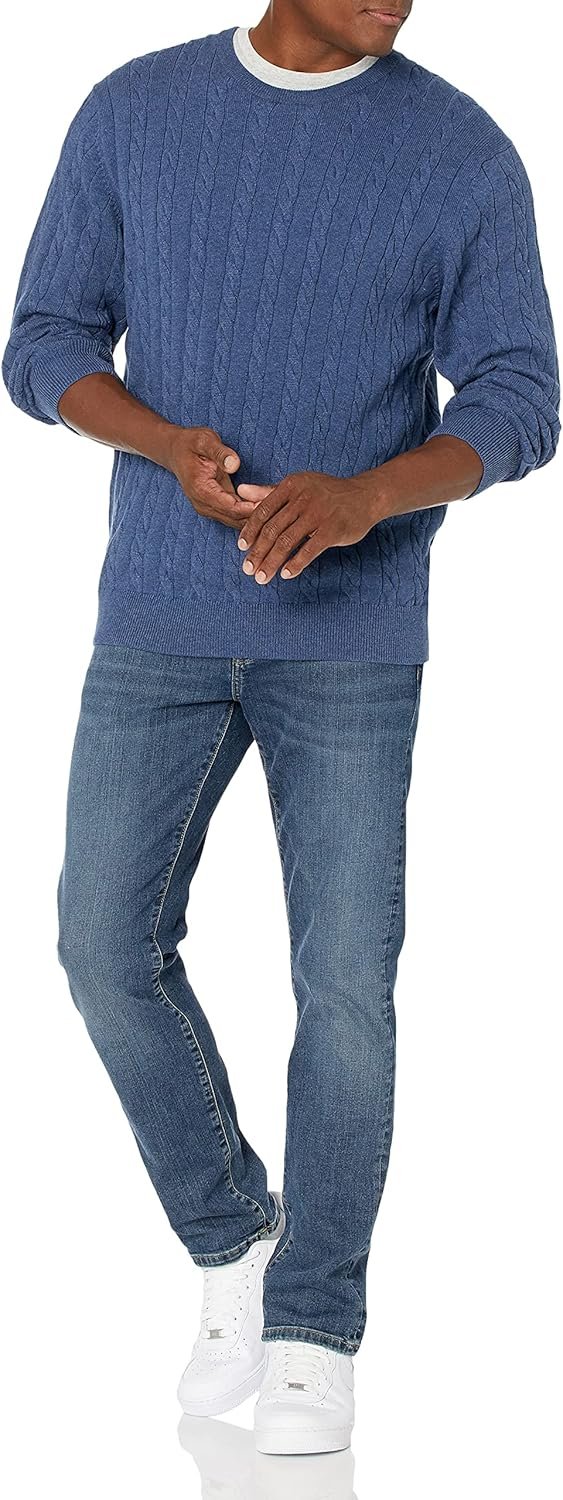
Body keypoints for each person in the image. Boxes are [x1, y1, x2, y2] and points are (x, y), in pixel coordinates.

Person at [2, 0, 559, 1459]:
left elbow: (523, 395)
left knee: (347, 987)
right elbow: (44, 339)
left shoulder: (460, 150)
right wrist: (160, 440)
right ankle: (234, 1237)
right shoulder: (136, 110)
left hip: (355, 637)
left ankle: (316, 1323)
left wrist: (373, 494)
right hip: (160, 613)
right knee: (99, 947)